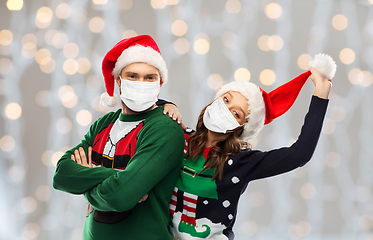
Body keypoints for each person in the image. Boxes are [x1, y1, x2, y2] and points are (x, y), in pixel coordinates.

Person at [167, 54, 336, 239]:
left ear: (241, 128)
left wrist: (321, 93)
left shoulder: (241, 161)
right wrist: (167, 105)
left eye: (236, 113)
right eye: (226, 99)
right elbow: (145, 114)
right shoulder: (179, 138)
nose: (225, 109)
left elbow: (299, 154)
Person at [52, 35, 185, 240]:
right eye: (132, 76)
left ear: (160, 83)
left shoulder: (164, 128)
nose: (141, 82)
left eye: (150, 77)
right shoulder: (104, 124)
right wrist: (115, 178)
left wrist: (86, 181)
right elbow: (62, 175)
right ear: (118, 81)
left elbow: (120, 196)